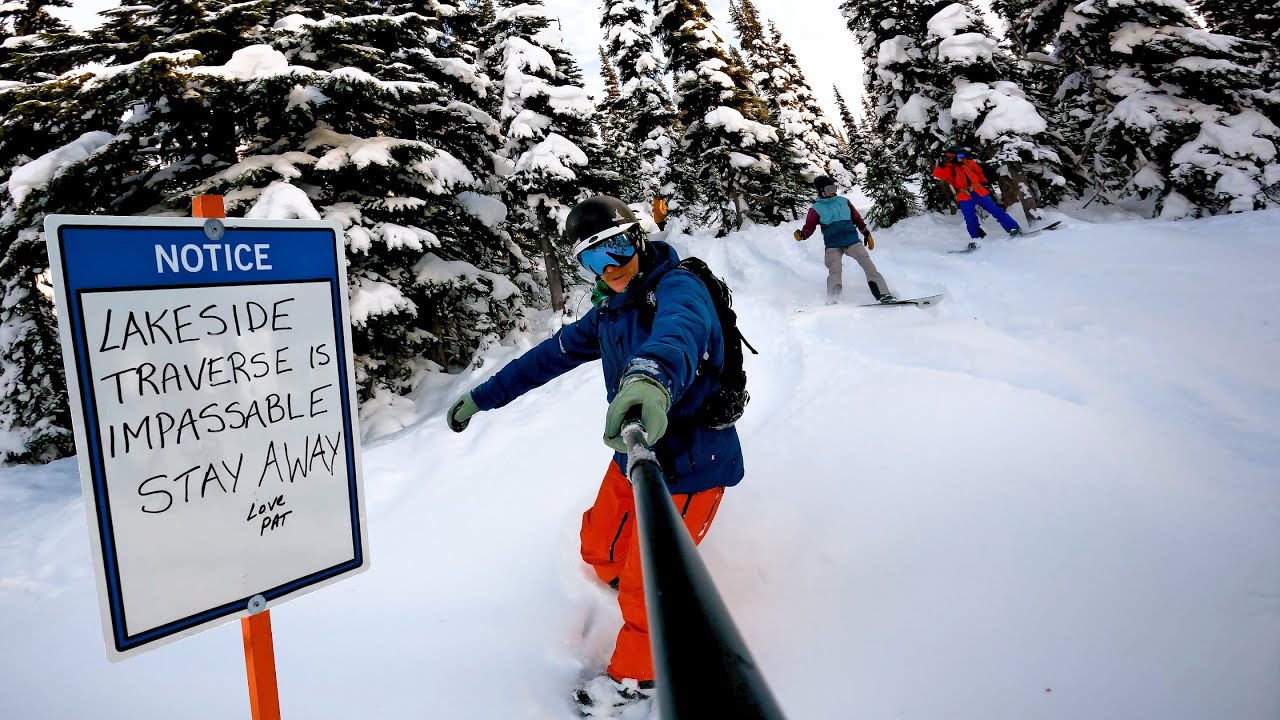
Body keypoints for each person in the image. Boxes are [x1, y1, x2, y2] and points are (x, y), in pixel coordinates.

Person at [446, 195, 743, 710]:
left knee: (649, 584)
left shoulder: (679, 288)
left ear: (639, 240)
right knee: (598, 545)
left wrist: (649, 379)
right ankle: (627, 585)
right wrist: (483, 397)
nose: (611, 270)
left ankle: (637, 677)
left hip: (694, 464)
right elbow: (548, 356)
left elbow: (680, 332)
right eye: (593, 260)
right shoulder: (611, 311)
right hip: (634, 450)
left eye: (617, 250)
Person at [794, 175, 896, 304]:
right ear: (821, 191)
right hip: (833, 245)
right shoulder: (816, 209)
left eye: (834, 188)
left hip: (852, 242)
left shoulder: (844, 202)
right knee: (835, 270)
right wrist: (803, 235)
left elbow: (857, 219)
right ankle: (834, 299)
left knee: (868, 264)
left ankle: (884, 294)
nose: (832, 192)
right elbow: (809, 227)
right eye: (829, 189)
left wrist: (866, 232)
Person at [932, 146, 1022, 248]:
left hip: (979, 191)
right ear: (952, 157)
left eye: (963, 155)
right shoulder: (949, 168)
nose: (963, 157)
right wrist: (941, 165)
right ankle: (977, 239)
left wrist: (985, 185)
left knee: (996, 211)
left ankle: (1014, 228)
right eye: (960, 155)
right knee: (970, 219)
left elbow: (980, 175)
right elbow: (937, 174)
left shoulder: (970, 163)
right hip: (963, 196)